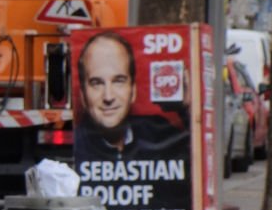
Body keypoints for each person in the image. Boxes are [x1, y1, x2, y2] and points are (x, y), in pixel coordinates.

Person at [75, 30, 188, 162]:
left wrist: (187, 110)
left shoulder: (158, 132)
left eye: (118, 81)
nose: (108, 97)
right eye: (97, 83)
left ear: (133, 90)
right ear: (83, 96)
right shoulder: (73, 147)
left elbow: (196, 165)